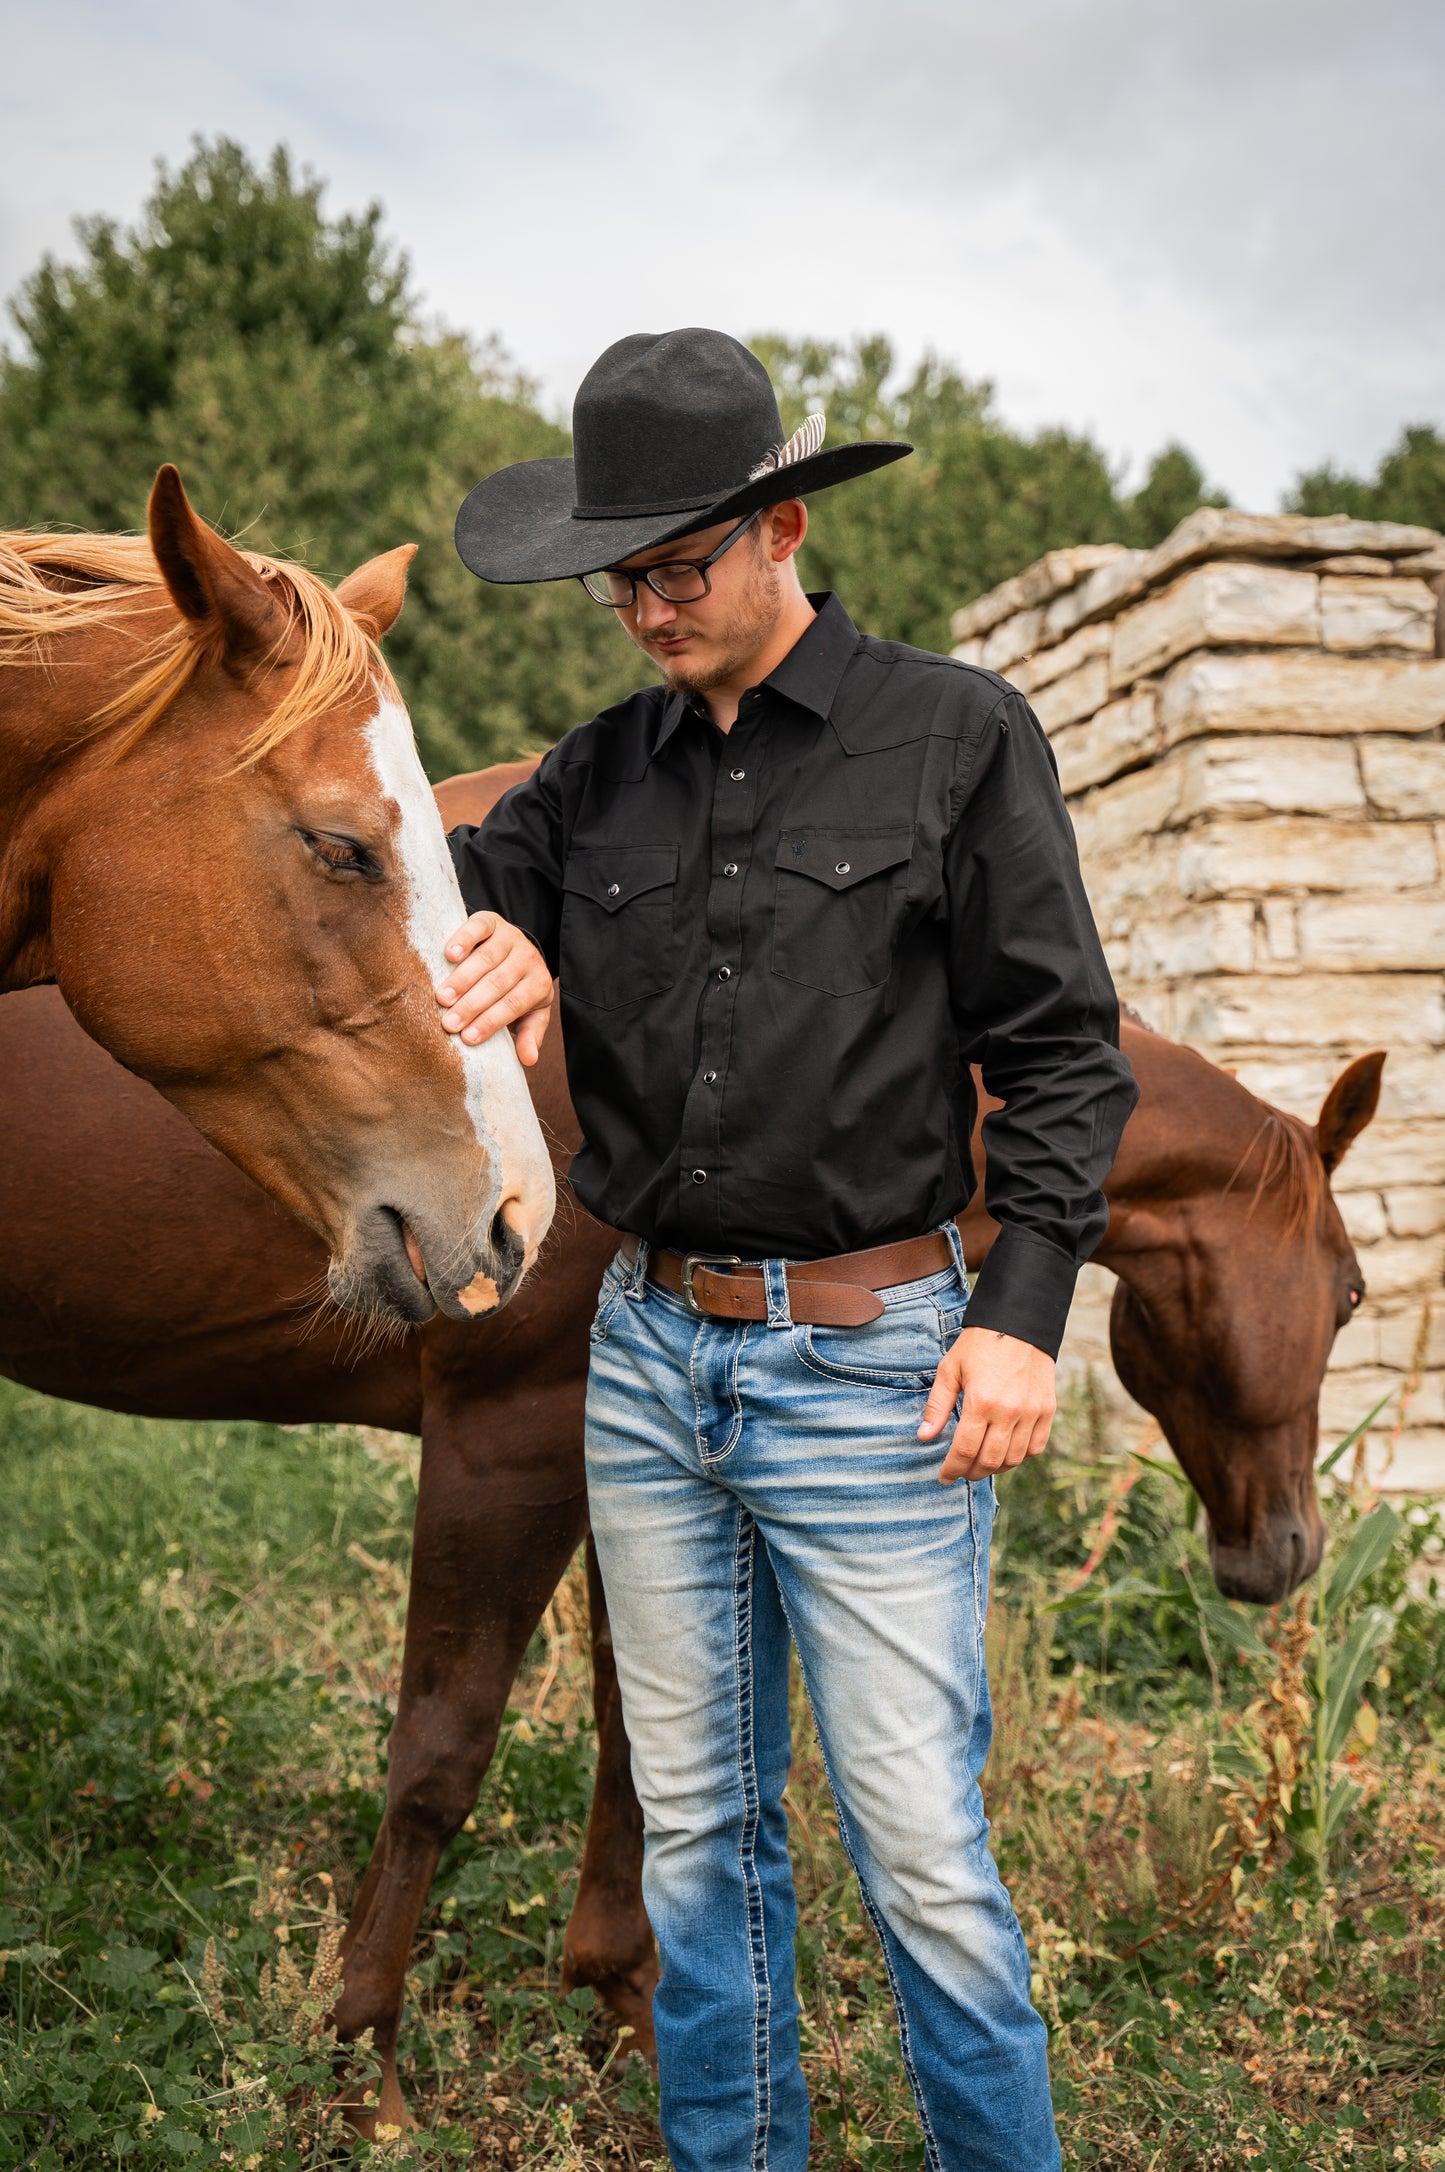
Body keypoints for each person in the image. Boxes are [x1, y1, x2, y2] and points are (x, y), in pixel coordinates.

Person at [437, 327, 1137, 2172]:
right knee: (694, 1837)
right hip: (650, 1361)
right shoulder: (588, 780)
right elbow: (469, 886)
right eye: (621, 576)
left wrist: (1022, 1312)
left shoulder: (955, 734)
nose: (647, 606)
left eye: (682, 564)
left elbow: (1061, 1051)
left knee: (917, 1847)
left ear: (786, 530)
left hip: (879, 1365)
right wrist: (489, 933)